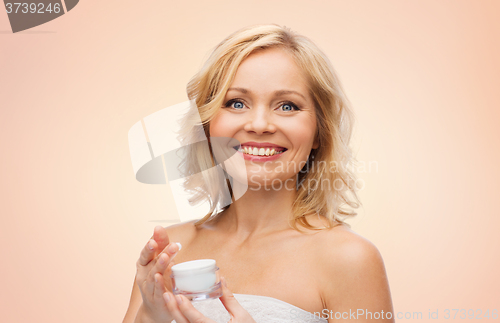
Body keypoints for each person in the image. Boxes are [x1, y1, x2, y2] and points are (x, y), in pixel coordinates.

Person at [123, 24, 394, 323]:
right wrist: (149, 316)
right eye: (236, 103)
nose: (260, 124)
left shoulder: (349, 259)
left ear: (319, 131)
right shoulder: (171, 251)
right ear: (208, 125)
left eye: (287, 106)